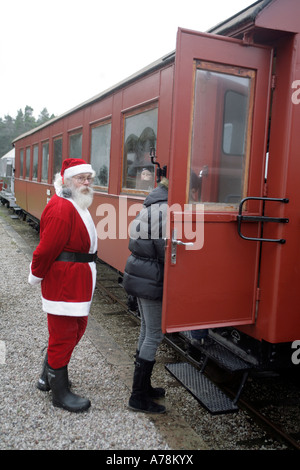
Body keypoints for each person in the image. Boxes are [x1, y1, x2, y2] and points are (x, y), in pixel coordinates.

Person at [28, 158, 97, 413]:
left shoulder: (74, 203)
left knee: (73, 330)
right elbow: (45, 250)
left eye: (89, 177)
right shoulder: (61, 208)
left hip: (75, 280)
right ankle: (59, 393)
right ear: (67, 180)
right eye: (82, 178)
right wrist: (35, 274)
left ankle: (47, 376)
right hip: (64, 283)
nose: (87, 182)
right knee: (64, 335)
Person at [122, 177, 168, 414]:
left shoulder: (151, 205)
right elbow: (165, 251)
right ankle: (137, 396)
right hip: (151, 278)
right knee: (154, 334)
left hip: (141, 274)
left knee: (145, 330)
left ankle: (144, 387)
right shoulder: (165, 210)